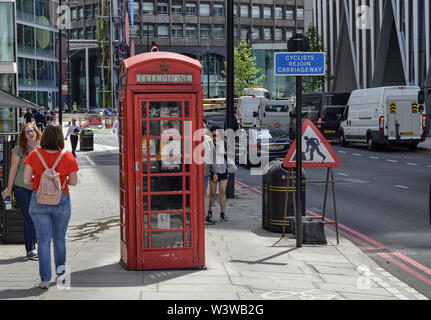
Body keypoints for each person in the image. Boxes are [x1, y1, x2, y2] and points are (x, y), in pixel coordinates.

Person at [23, 124, 79, 289]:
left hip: (39, 201)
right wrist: (59, 183)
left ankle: (44, 280)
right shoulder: (67, 156)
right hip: (61, 200)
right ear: (61, 137)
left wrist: (42, 182)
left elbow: (26, 180)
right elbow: (74, 182)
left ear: (44, 136)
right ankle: (61, 274)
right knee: (60, 239)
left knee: (44, 240)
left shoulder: (34, 155)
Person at [2, 123, 42, 261]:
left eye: (32, 131)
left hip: (38, 188)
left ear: (36, 132)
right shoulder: (19, 149)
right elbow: (13, 169)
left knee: (36, 216)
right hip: (21, 187)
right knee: (30, 216)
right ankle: (30, 249)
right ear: (23, 136)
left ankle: (35, 244)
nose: (30, 133)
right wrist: (9, 189)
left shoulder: (42, 147)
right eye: (27, 132)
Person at [207, 126, 229, 223]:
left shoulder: (225, 144)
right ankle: (209, 212)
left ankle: (222, 213)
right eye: (213, 135)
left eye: (217, 135)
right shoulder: (210, 144)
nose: (215, 137)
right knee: (212, 192)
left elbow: (232, 154)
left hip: (223, 170)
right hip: (213, 171)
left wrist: (224, 153)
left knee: (223, 192)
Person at [203, 120, 216, 225]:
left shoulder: (208, 139)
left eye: (205, 125)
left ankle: (205, 216)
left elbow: (213, 156)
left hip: (205, 173)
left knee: (205, 195)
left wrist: (215, 171)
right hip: (194, 173)